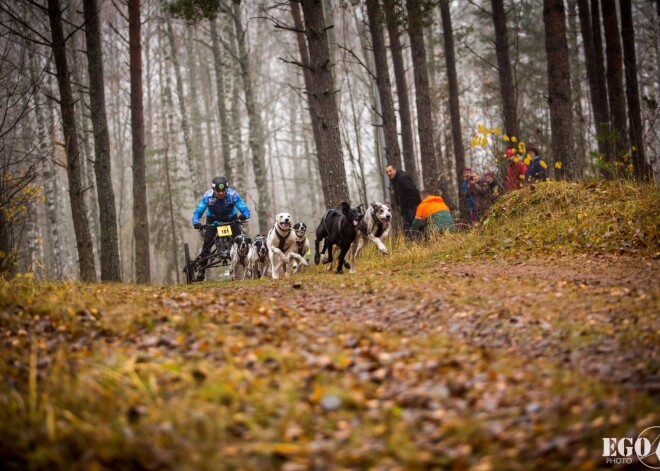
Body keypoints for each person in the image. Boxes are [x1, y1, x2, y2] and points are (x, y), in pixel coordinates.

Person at [192, 176, 250, 281]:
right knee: (207, 243)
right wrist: (196, 221)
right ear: (213, 189)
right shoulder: (208, 196)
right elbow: (198, 211)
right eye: (218, 190)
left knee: (240, 241)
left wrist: (244, 215)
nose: (221, 193)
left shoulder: (233, 195)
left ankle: (249, 267)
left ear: (226, 189)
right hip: (213, 221)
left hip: (231, 220)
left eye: (223, 190)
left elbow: (244, 208)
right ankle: (201, 271)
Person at [385, 164, 421, 239]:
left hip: (411, 207)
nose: (389, 173)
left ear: (394, 169)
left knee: (414, 227)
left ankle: (420, 243)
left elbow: (414, 190)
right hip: (405, 208)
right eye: (387, 172)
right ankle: (411, 246)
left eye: (390, 171)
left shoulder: (402, 178)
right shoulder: (394, 180)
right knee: (406, 229)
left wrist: (412, 205)